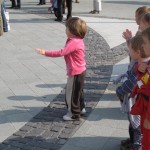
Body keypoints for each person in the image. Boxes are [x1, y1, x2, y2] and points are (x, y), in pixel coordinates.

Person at [36, 17, 87, 121]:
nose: (65, 30)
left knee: (71, 93)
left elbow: (61, 52)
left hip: (75, 72)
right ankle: (81, 108)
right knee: (78, 92)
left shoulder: (73, 42)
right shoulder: (77, 40)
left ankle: (73, 114)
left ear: (73, 31)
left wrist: (45, 52)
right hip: (81, 70)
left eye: (67, 28)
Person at [115, 35, 147, 150]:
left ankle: (136, 146)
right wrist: (129, 40)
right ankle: (133, 141)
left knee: (136, 125)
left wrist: (119, 91)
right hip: (136, 101)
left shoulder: (141, 66)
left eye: (130, 50)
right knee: (134, 125)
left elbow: (131, 84)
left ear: (138, 52)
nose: (129, 53)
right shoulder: (140, 61)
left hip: (136, 103)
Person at [130, 27, 150, 150]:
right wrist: (140, 69)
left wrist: (149, 116)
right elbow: (144, 80)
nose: (142, 45)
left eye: (145, 42)